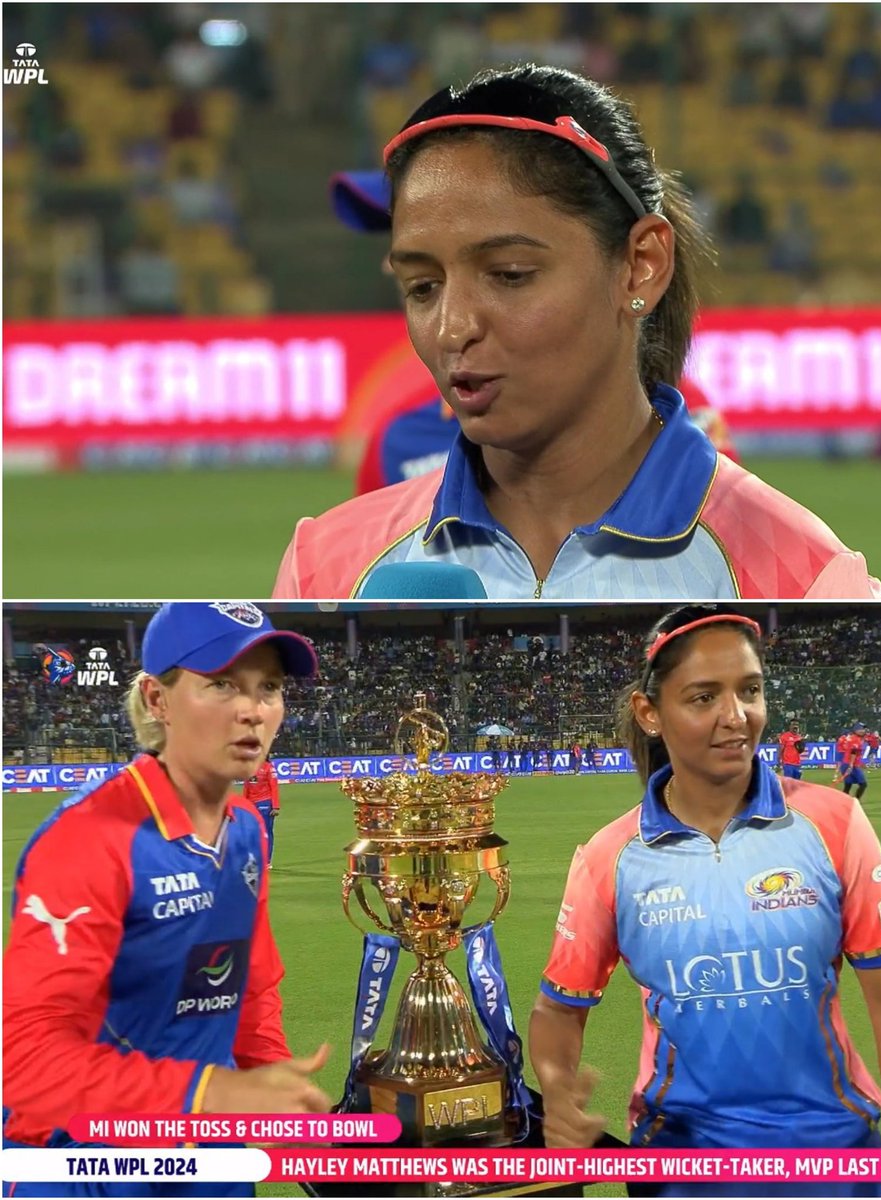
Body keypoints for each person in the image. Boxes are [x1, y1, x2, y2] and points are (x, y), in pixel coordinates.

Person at [274, 65, 881, 600]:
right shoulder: (326, 567)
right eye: (423, 288)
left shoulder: (803, 576)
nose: (452, 328)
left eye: (510, 275)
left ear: (640, 265)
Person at [529, 605, 881, 1198]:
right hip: (682, 1165)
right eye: (703, 697)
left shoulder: (833, 822)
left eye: (750, 690)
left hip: (833, 1162)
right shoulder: (609, 857)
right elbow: (559, 1010)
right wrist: (558, 1090)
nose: (736, 716)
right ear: (650, 713)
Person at [3, 602, 333, 1198]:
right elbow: (26, 1067)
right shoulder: (90, 839)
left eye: (270, 688)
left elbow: (250, 988)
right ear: (158, 701)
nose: (252, 711)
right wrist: (212, 1094)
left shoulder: (245, 829)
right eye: (222, 685)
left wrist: (282, 1102)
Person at [329, 169, 739, 496]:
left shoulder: (671, 412)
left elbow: (726, 558)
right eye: (402, 243)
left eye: (510, 272)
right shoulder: (397, 442)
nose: (391, 265)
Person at [242, 754, 280, 868]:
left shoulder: (269, 767)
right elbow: (246, 787)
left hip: (265, 803)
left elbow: (274, 786)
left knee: (266, 832)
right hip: (251, 804)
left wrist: (275, 806)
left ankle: (266, 860)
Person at [839, 722, 870, 799]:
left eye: (864, 729)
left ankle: (843, 802)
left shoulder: (852, 738)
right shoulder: (855, 739)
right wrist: (851, 765)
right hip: (851, 765)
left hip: (846, 763)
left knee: (848, 785)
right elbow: (853, 752)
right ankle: (856, 801)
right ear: (856, 730)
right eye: (861, 729)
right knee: (863, 784)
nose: (863, 731)